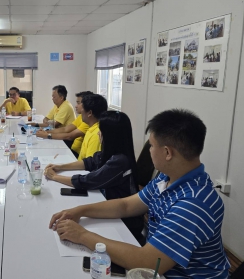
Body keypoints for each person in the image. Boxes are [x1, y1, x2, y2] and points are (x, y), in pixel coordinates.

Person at [49, 109, 230, 277]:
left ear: (167, 152)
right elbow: (126, 205)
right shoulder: (167, 178)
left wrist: (82, 235)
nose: (149, 151)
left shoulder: (193, 204)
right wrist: (80, 210)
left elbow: (148, 262)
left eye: (151, 146)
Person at [45, 111, 143, 239]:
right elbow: (90, 162)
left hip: (123, 221)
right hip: (108, 204)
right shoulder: (112, 152)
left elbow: (89, 181)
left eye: (101, 131)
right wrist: (60, 167)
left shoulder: (120, 161)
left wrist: (55, 177)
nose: (98, 133)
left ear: (110, 135)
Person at [36, 91, 93, 157]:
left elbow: (70, 136)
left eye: (78, 103)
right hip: (72, 149)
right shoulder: (81, 116)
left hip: (77, 153)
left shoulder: (87, 120)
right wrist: (46, 132)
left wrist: (47, 135)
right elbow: (65, 129)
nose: (76, 106)